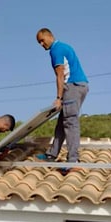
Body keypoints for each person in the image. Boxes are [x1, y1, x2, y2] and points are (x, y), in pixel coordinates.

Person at [36, 28, 89, 164]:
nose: (41, 44)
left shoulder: (56, 50)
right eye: (39, 43)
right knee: (62, 121)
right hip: (79, 86)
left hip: (73, 86)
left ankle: (73, 159)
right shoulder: (64, 46)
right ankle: (52, 154)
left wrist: (59, 98)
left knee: (70, 122)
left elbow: (60, 74)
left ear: (50, 36)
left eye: (42, 40)